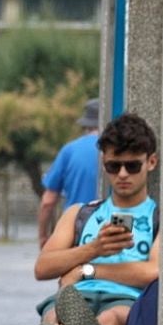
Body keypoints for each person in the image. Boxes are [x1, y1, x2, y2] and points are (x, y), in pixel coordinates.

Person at [34, 113, 160, 325]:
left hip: (126, 299)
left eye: (132, 165)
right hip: (75, 299)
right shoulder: (80, 213)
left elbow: (153, 271)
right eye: (114, 166)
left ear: (151, 162)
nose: (123, 174)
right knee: (54, 315)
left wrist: (87, 270)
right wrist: (94, 248)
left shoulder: (159, 218)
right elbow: (43, 267)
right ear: (104, 164)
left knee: (110, 320)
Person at [37, 98, 102, 247]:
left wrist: (43, 236)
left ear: (85, 125)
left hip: (75, 229)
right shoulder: (118, 150)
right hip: (109, 227)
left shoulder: (70, 151)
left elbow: (48, 202)